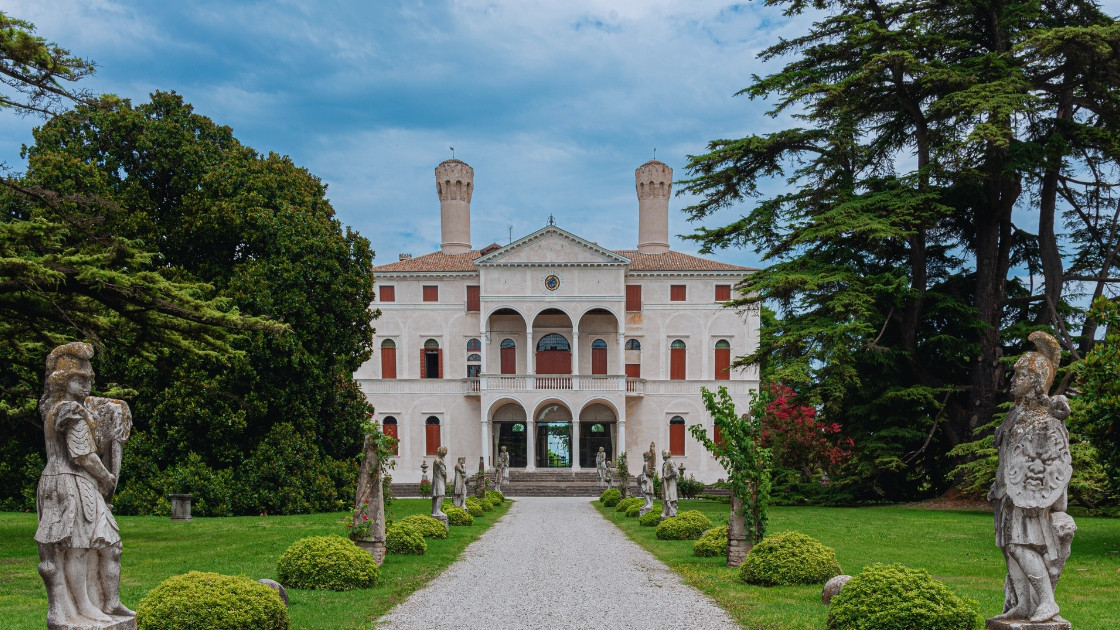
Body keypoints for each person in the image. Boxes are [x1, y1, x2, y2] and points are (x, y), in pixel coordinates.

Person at [35, 342, 134, 628]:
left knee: (109, 545)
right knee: (78, 548)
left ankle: (106, 602)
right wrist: (106, 477)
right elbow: (82, 455)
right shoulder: (69, 411)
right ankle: (83, 607)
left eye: (89, 379)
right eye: (80, 379)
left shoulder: (68, 408)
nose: (87, 384)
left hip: (78, 482)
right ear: (64, 382)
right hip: (70, 481)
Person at [989, 331, 1075, 624]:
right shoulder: (1016, 415)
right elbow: (1011, 457)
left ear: (1036, 382)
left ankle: (1047, 602)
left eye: (1021, 375)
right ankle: (1024, 604)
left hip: (1029, 499)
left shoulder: (1046, 419)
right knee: (1008, 547)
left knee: (1020, 545)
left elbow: (1051, 461)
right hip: (1008, 494)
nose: (1013, 381)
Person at [661, 449, 679, 520]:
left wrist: (668, 476)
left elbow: (675, 472)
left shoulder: (671, 462)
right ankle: (665, 512)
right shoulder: (664, 463)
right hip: (665, 483)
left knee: (671, 497)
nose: (664, 456)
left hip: (670, 483)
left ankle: (672, 512)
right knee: (664, 497)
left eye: (665, 455)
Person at [431, 447, 448, 519]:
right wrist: (445, 477)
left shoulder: (437, 460)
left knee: (437, 495)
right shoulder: (439, 461)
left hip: (437, 479)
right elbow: (443, 471)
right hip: (439, 479)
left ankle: (435, 511)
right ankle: (437, 511)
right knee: (440, 494)